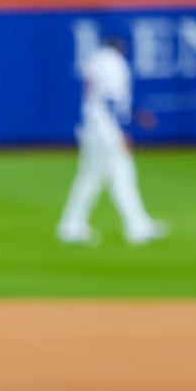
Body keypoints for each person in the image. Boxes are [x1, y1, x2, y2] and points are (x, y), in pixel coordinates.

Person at [57, 36, 168, 246]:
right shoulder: (114, 63)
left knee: (90, 177)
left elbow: (104, 98)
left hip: (90, 126)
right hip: (106, 128)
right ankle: (137, 227)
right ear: (119, 47)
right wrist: (121, 131)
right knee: (122, 172)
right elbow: (111, 100)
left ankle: (71, 225)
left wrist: (135, 114)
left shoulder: (95, 60)